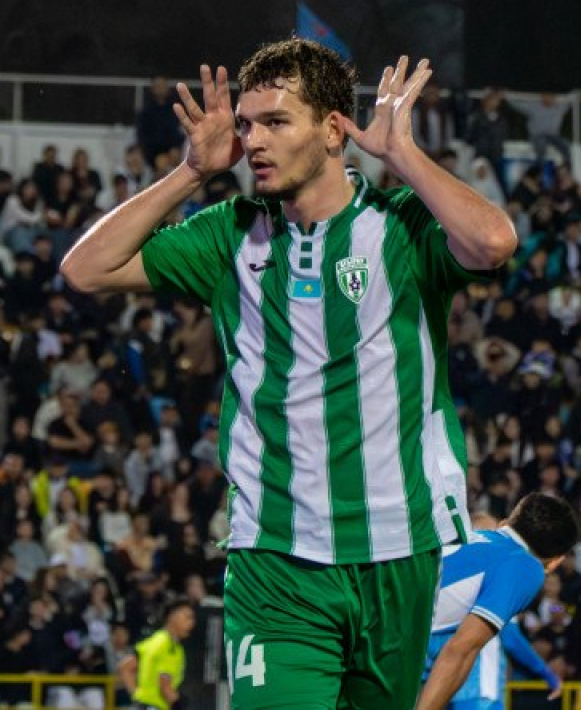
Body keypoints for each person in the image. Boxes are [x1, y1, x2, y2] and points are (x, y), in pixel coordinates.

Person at [61, 39, 517, 709]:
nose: (253, 141)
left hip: (397, 553)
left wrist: (404, 156)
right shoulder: (230, 233)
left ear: (333, 131)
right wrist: (190, 172)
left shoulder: (400, 226)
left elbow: (494, 242)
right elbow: (85, 269)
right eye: (247, 125)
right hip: (275, 559)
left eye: (276, 122)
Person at [417, 494, 580, 710]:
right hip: (478, 685)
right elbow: (462, 649)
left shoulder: (477, 538)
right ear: (556, 560)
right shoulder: (525, 566)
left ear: (508, 521)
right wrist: (547, 673)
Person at [119, 599, 195, 710]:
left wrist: (138, 698)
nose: (191, 623)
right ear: (172, 616)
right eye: (187, 617)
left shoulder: (153, 641)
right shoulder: (169, 647)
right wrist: (179, 705)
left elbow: (125, 668)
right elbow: (165, 687)